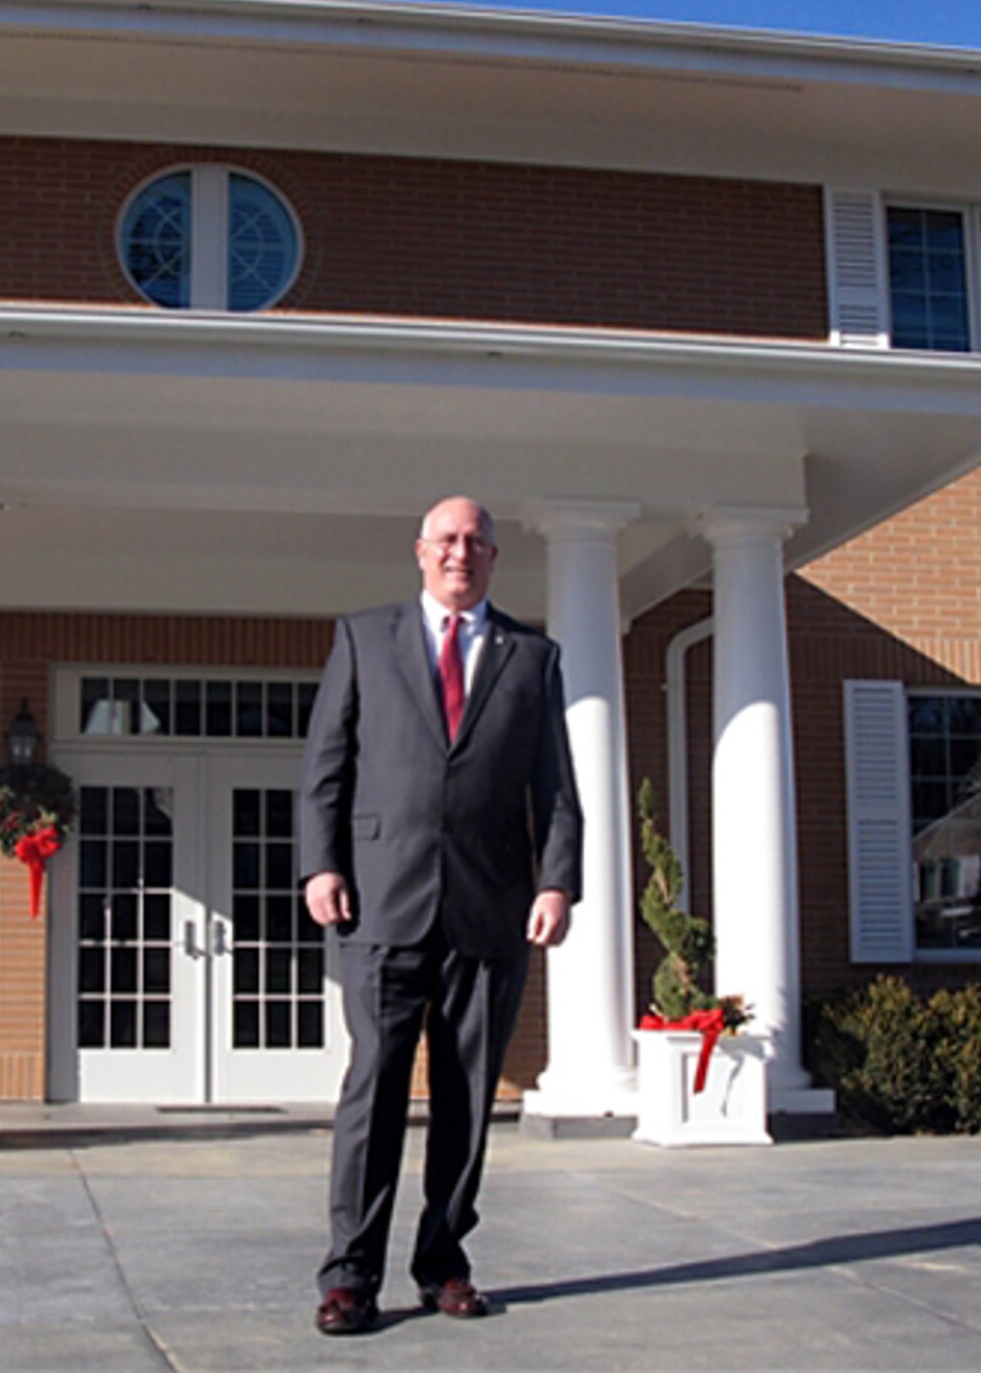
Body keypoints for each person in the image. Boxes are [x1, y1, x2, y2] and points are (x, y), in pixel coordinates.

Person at [298, 494, 583, 1336]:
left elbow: (556, 788)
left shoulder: (533, 658)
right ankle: (350, 1275)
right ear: (420, 552)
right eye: (447, 541)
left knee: (466, 1097)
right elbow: (326, 765)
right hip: (380, 902)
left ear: (495, 557)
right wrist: (321, 863)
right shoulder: (363, 637)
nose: (461, 553)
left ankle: (444, 1262)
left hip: (491, 908)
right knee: (374, 1092)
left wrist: (556, 882)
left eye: (477, 542)